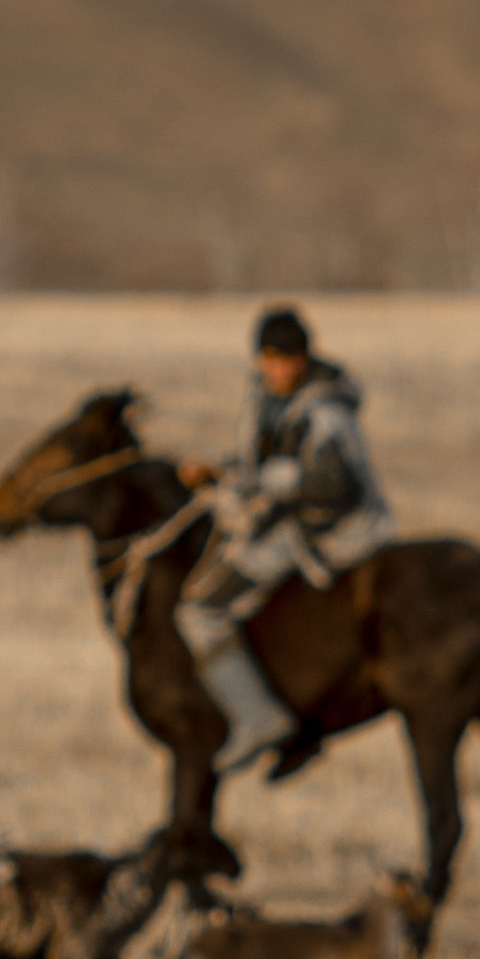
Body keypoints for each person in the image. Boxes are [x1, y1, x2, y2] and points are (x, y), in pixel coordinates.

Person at [173, 305, 397, 775]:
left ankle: (258, 718)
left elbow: (331, 485)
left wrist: (256, 484)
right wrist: (218, 471)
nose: (279, 369)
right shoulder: (265, 398)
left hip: (333, 532)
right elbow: (261, 464)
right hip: (296, 519)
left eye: (288, 359)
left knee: (200, 608)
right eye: (271, 359)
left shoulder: (327, 411)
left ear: (304, 358)